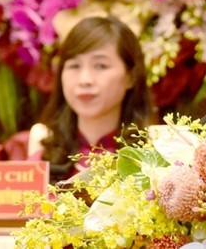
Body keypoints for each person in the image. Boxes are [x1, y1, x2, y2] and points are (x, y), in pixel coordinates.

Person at [28, 16, 155, 180]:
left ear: (131, 76)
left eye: (100, 66)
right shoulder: (44, 144)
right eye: (74, 66)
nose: (85, 80)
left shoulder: (153, 150)